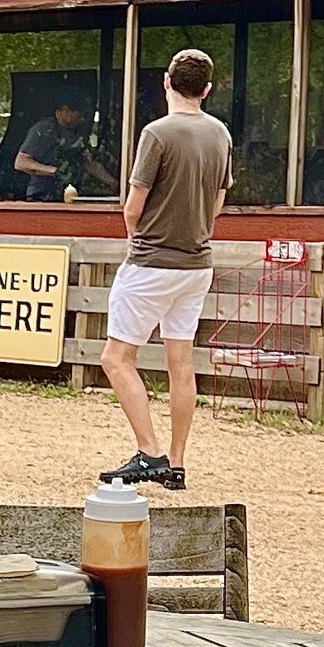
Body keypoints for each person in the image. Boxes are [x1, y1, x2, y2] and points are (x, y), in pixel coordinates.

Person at [99, 48, 232, 491]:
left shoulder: (156, 134)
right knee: (181, 362)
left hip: (152, 261)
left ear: (166, 82)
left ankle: (149, 452)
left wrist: (136, 238)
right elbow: (217, 203)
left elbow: (133, 205)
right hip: (197, 263)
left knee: (116, 358)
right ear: (207, 90)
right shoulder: (220, 135)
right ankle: (176, 461)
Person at [11, 99, 113, 200]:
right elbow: (21, 163)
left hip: (70, 194)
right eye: (76, 112)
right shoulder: (43, 130)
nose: (82, 117)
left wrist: (112, 183)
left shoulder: (77, 132)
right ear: (62, 112)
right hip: (42, 196)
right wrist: (55, 171)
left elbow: (88, 162)